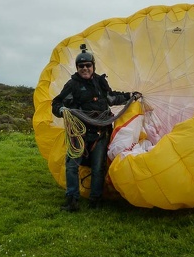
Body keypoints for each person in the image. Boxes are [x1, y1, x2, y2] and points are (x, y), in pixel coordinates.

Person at [52, 44, 141, 212]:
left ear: (93, 66)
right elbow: (56, 103)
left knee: (98, 166)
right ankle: (72, 200)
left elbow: (111, 97)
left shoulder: (100, 82)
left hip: (100, 131)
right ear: (77, 68)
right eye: (81, 66)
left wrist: (130, 96)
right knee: (72, 165)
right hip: (78, 133)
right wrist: (62, 110)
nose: (85, 68)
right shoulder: (72, 85)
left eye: (88, 65)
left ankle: (96, 199)